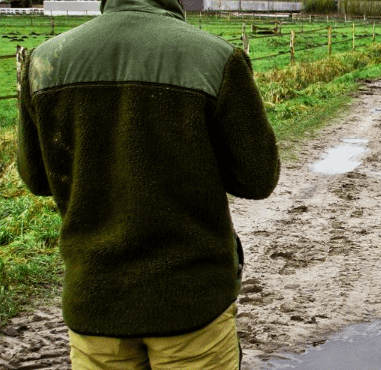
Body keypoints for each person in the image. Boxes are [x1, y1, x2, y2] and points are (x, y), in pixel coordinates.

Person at [15, 0, 280, 367]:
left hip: (95, 301)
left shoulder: (46, 61)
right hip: (191, 304)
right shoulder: (217, 57)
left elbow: (36, 178)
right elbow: (257, 178)